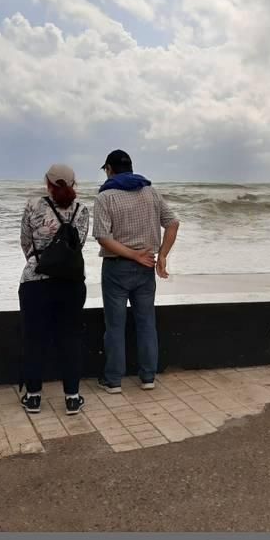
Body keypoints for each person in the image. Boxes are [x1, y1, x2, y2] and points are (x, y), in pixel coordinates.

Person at [92, 150, 179, 393]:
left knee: (115, 326)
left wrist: (132, 254)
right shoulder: (150, 192)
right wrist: (161, 255)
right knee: (146, 323)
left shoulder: (105, 197)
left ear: (109, 169)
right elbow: (173, 223)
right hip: (146, 267)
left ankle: (113, 380)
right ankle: (148, 377)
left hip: (117, 268)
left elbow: (102, 238)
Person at [19, 164, 89, 415]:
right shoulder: (82, 210)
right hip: (70, 282)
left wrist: (38, 261)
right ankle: (72, 397)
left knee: (33, 338)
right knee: (70, 338)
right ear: (74, 183)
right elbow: (77, 244)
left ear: (47, 182)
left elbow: (25, 242)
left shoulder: (33, 205)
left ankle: (33, 397)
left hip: (35, 280)